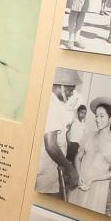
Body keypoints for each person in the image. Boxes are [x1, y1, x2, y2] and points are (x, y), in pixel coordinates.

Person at [69, 97, 111, 214]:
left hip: (97, 187)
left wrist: (92, 180)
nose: (97, 119)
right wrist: (79, 175)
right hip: (80, 182)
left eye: (101, 116)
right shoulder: (88, 136)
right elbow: (78, 157)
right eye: (96, 116)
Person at [36, 68, 81, 199]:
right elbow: (51, 144)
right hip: (45, 167)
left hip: (48, 166)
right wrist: (70, 169)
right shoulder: (52, 105)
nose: (71, 94)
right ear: (60, 86)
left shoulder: (53, 103)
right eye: (70, 90)